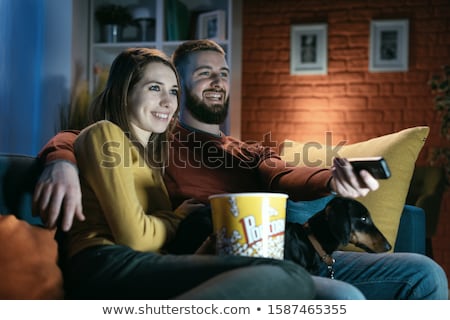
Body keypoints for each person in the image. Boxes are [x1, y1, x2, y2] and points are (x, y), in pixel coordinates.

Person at [34, 40, 448, 300]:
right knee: (335, 295)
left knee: (423, 273)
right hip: (228, 252)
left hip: (297, 245)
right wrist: (59, 161)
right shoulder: (160, 140)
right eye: (203, 74)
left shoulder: (246, 150)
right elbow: (87, 137)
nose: (217, 81)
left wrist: (330, 178)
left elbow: (284, 175)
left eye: (224, 73)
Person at [51, 47, 315, 300]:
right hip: (104, 263)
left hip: (144, 263)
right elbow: (135, 238)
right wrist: (176, 219)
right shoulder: (105, 134)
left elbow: (150, 242)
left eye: (174, 91)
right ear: (124, 92)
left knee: (280, 272)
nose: (168, 102)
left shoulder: (150, 161)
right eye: (154, 88)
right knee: (287, 275)